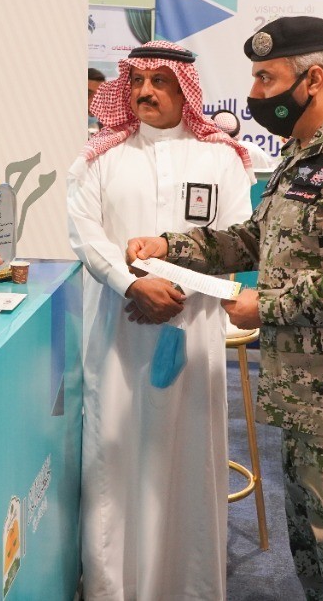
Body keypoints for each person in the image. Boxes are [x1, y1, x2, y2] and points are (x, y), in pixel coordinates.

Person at [128, 17, 323, 599]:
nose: (254, 93)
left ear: (313, 78)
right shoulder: (306, 147)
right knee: (320, 571)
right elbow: (260, 237)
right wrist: (172, 247)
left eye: (265, 78)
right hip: (316, 405)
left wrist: (267, 307)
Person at [67, 41, 251, 600]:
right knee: (115, 458)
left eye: (159, 81)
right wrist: (132, 285)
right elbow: (85, 236)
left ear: (184, 89)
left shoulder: (221, 159)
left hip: (194, 329)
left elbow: (237, 236)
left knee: (189, 462)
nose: (145, 91)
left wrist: (176, 289)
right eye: (137, 80)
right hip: (118, 330)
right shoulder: (100, 157)